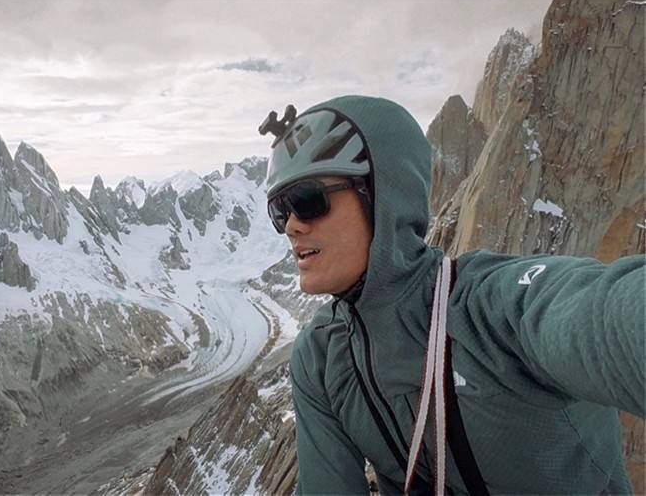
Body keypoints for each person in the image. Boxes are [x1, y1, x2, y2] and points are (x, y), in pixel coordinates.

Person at [258, 95, 645, 495]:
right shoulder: (320, 356)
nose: (291, 227)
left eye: (307, 201)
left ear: (384, 195)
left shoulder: (493, 308)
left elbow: (605, 313)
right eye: (280, 211)